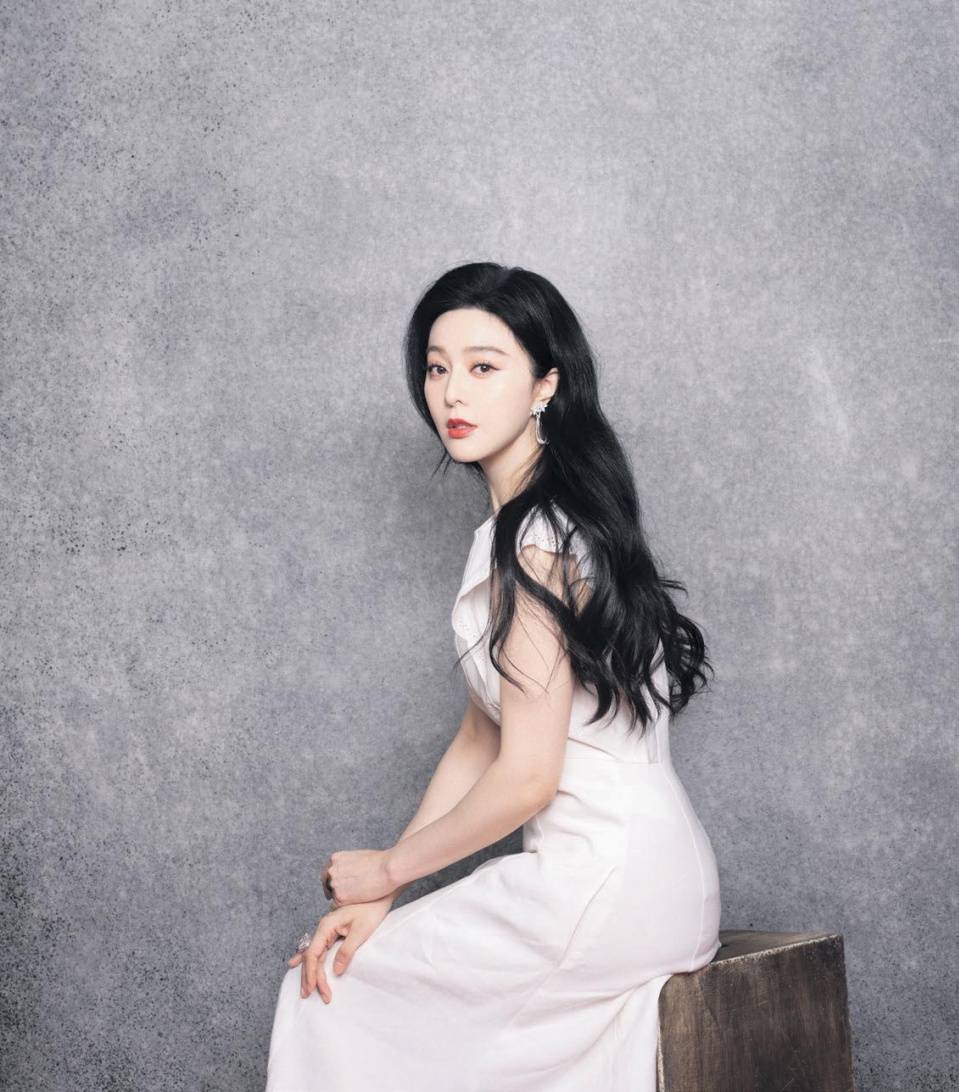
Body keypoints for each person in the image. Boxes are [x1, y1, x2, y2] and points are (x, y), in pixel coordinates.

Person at [265, 262, 722, 1091]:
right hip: (649, 880)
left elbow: (528, 777)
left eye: (483, 367)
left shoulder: (536, 542)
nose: (451, 393)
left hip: (598, 885)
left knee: (329, 998)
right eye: (437, 368)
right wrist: (383, 892)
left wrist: (385, 870)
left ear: (546, 384)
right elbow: (480, 738)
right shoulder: (543, 524)